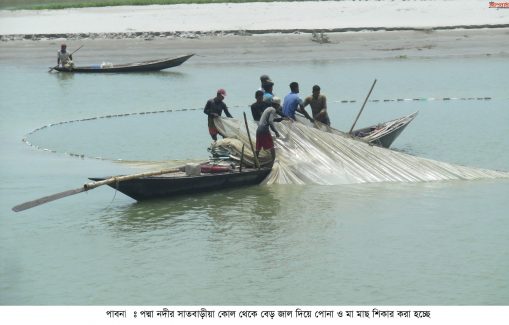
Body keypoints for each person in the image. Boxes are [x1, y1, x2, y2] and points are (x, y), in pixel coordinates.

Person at [256, 97, 283, 164]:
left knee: (258, 148)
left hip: (259, 129)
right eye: (279, 105)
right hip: (264, 130)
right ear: (277, 105)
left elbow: (268, 120)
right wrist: (276, 131)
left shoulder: (268, 109)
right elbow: (270, 121)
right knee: (271, 146)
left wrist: (279, 119)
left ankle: (255, 162)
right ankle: (274, 163)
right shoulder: (273, 110)